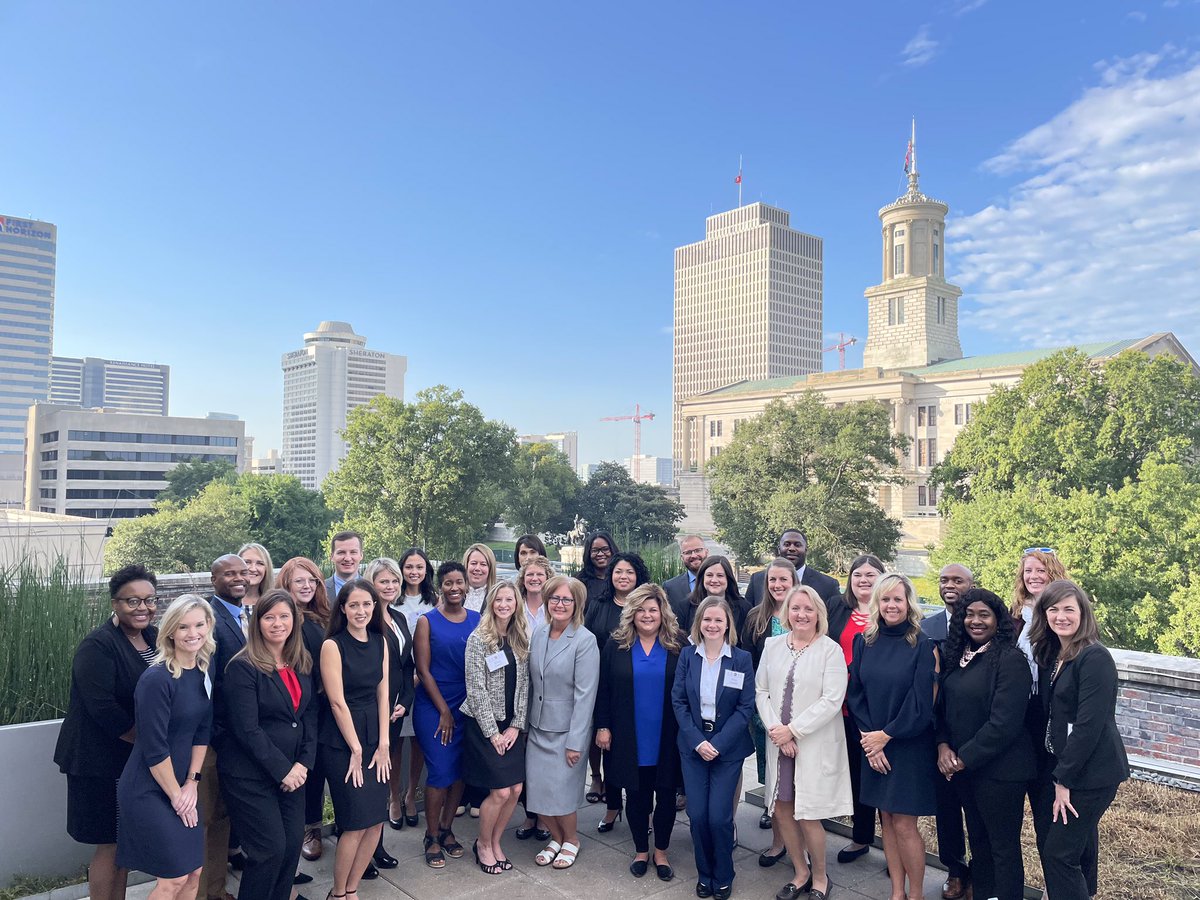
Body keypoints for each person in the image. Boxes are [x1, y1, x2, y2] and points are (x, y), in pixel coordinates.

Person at [55, 564, 160, 900]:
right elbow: (103, 710)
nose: (142, 608)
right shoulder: (98, 646)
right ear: (115, 603)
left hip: (133, 760)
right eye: (133, 601)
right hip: (100, 762)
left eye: (149, 600)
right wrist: (149, 745)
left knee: (125, 842)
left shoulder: (154, 638)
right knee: (110, 844)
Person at [1030, 580, 1129, 900]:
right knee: (1080, 846)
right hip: (1068, 766)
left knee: (1059, 854)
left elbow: (1089, 725)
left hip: (1091, 772)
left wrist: (1063, 779)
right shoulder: (1055, 653)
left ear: (1082, 613)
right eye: (1053, 609)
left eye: (1068, 609)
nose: (1061, 616)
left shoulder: (1094, 658)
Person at [219, 590, 318, 900]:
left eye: (284, 616)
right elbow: (247, 729)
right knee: (269, 850)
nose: (278, 623)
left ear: (295, 620)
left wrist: (303, 763)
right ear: (257, 622)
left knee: (290, 848)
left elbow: (309, 716)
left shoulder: (300, 661)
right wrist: (283, 770)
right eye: (269, 617)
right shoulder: (243, 667)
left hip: (294, 772)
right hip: (252, 775)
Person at [935, 588, 1033, 900]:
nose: (975, 621)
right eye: (969, 614)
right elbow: (943, 710)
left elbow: (1004, 723)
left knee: (1001, 846)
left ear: (998, 619)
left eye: (984, 615)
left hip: (1001, 771)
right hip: (964, 768)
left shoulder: (1009, 659)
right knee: (977, 839)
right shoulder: (957, 656)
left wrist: (961, 759)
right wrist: (943, 746)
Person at [115, 595, 215, 900]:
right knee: (174, 877)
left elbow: (203, 731)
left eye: (199, 624)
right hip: (150, 788)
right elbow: (154, 747)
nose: (193, 632)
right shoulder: (157, 679)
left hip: (184, 786)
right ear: (171, 631)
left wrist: (192, 783)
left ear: (208, 627)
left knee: (194, 872)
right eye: (183, 626)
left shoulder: (201, 671)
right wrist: (176, 795)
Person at [756, 585, 852, 900]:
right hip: (779, 743)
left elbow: (832, 699)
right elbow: (761, 691)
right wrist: (776, 730)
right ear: (787, 613)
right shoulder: (772, 646)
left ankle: (821, 877)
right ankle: (800, 872)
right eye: (796, 608)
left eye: (809, 609)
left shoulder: (830, 649)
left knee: (808, 814)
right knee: (782, 810)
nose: (802, 614)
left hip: (811, 743)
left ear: (818, 615)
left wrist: (793, 731)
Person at [847, 574, 938, 900]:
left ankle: (916, 894)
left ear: (908, 603)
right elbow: (855, 693)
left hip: (907, 745)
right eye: (885, 599)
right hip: (873, 743)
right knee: (885, 819)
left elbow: (921, 704)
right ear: (877, 603)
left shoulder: (922, 644)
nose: (891, 605)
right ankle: (896, 892)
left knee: (903, 823)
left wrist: (885, 736)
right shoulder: (864, 641)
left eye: (898, 599)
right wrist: (871, 740)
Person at [594, 584, 682, 882]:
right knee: (636, 795)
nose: (647, 615)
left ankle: (662, 852)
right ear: (631, 613)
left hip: (667, 736)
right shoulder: (616, 644)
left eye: (653, 610)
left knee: (666, 797)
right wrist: (602, 725)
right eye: (641, 610)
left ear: (662, 613)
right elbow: (603, 688)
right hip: (629, 734)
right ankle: (641, 850)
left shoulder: (677, 644)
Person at [672, 596, 755, 900]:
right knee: (697, 814)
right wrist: (698, 741)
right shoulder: (686, 656)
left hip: (727, 749)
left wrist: (716, 744)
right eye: (707, 619)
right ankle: (705, 873)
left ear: (728, 624)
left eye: (718, 620)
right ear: (699, 623)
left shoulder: (741, 659)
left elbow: (745, 708)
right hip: (693, 746)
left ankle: (724, 873)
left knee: (719, 817)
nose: (712, 624)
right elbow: (678, 701)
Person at [319, 579, 392, 899]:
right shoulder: (332, 645)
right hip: (342, 741)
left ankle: (352, 890)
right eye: (353, 605)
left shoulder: (381, 641)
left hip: (376, 739)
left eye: (366, 604)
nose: (361, 611)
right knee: (355, 822)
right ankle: (337, 893)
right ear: (343, 609)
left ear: (374, 607)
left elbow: (383, 694)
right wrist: (356, 748)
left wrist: (385, 744)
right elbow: (336, 702)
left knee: (376, 822)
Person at [526, 575, 600, 871]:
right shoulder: (539, 634)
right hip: (537, 727)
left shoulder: (585, 640)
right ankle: (555, 838)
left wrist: (576, 741)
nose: (559, 604)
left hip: (566, 731)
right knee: (540, 790)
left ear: (577, 604)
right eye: (554, 598)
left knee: (563, 793)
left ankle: (571, 839)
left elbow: (586, 695)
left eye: (566, 599)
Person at [412, 561, 481, 867]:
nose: (455, 588)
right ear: (440, 587)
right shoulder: (428, 622)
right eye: (448, 583)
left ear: (467, 585)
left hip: (468, 705)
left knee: (460, 772)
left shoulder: (479, 620)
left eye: (459, 582)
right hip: (435, 704)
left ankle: (447, 828)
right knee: (440, 771)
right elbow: (423, 671)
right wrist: (443, 711)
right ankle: (430, 835)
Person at [461, 581, 530, 874]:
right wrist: (494, 733)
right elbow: (476, 690)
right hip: (483, 724)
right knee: (500, 792)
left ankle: (496, 842)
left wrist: (516, 726)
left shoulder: (519, 638)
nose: (504, 604)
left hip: (511, 725)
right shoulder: (479, 639)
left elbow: (525, 684)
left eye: (509, 600)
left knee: (515, 789)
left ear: (516, 604)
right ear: (491, 604)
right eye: (499, 599)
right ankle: (482, 844)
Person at [825, 553, 885, 864]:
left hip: (875, 709)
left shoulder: (888, 610)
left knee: (879, 773)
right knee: (853, 774)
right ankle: (861, 837)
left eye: (870, 574)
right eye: (858, 574)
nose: (863, 580)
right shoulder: (838, 607)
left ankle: (896, 850)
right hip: (838, 706)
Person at [1011, 547, 1070, 861]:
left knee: (1055, 807)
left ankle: (1059, 886)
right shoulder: (1017, 614)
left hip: (1052, 715)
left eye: (1040, 570)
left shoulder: (1063, 614)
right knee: (1035, 801)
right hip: (1024, 716)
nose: (1033, 577)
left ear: (1053, 572)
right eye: (1028, 571)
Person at [585, 550, 652, 829]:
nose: (623, 577)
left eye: (629, 572)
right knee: (609, 748)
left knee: (642, 753)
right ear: (610, 575)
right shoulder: (599, 605)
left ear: (638, 576)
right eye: (618, 572)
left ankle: (642, 810)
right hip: (603, 684)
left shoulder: (646, 607)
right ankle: (612, 807)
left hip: (639, 686)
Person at [738, 558, 798, 861]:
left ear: (793, 581)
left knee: (799, 781)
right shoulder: (755, 617)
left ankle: (803, 845)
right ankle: (778, 841)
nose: (777, 585)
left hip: (799, 712)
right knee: (773, 779)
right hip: (764, 712)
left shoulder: (803, 613)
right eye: (772, 580)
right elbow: (747, 663)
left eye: (783, 580)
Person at [921, 563, 974, 900]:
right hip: (938, 734)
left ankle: (981, 876)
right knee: (947, 810)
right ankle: (955, 871)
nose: (950, 584)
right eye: (944, 579)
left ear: (971, 584)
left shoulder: (984, 623)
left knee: (980, 813)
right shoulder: (927, 627)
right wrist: (941, 741)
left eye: (958, 580)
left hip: (976, 735)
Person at [200, 554, 250, 900]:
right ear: (214, 579)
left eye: (242, 572)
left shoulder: (247, 614)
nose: (237, 578)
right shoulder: (209, 619)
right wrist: (221, 734)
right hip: (217, 739)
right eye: (228, 573)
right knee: (208, 821)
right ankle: (203, 893)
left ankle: (216, 889)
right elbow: (207, 684)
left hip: (243, 736)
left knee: (222, 819)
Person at [276, 556, 332, 866]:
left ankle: (314, 827)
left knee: (320, 767)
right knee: (303, 769)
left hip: (327, 705)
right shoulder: (284, 617)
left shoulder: (322, 615)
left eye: (312, 580)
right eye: (300, 581)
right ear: (286, 584)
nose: (307, 586)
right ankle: (304, 831)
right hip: (298, 706)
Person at [364, 557, 416, 870]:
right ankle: (363, 852)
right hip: (369, 713)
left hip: (395, 712)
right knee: (366, 784)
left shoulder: (398, 617)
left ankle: (376, 846)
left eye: (394, 581)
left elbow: (406, 665)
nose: (390, 586)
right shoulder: (364, 620)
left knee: (382, 782)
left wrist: (405, 702)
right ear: (371, 582)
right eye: (384, 581)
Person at [392, 547, 437, 828]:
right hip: (395, 680)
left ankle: (411, 794)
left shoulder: (433, 601)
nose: (414, 572)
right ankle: (393, 798)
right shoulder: (392, 601)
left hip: (425, 680)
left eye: (419, 567)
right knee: (395, 740)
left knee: (418, 739)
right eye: (409, 566)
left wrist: (420, 676)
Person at [514, 555, 555, 842]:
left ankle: (544, 816)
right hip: (517, 688)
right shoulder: (514, 606)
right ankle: (530, 815)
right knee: (524, 755)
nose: (535, 579)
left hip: (547, 690)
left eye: (539, 575)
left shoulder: (554, 608)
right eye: (530, 575)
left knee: (542, 756)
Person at [745, 530, 840, 608]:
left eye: (797, 545)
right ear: (779, 549)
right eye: (786, 544)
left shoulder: (828, 585)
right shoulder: (757, 580)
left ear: (806, 549)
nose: (791, 548)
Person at [679, 555, 748, 635]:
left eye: (720, 575)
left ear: (728, 578)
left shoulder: (743, 608)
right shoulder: (685, 606)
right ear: (702, 578)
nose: (714, 580)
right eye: (709, 575)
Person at [663, 535, 709, 621]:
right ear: (682, 557)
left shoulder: (719, 583)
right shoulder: (670, 587)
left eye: (698, 550)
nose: (694, 555)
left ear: (706, 552)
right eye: (688, 552)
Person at [578, 530, 619, 605]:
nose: (600, 554)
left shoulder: (622, 580)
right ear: (588, 553)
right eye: (595, 550)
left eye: (605, 549)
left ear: (612, 550)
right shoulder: (579, 582)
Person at [325, 531, 364, 599]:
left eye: (353, 552)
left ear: (361, 555)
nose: (347, 558)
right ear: (331, 556)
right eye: (341, 552)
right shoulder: (319, 589)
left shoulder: (373, 589)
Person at [463, 542, 498, 613]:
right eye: (473, 563)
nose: (477, 568)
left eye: (483, 564)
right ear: (466, 565)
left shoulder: (497, 597)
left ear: (490, 569)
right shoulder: (455, 594)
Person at [239, 542, 275, 606]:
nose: (253, 569)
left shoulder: (273, 603)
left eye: (260, 563)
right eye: (247, 562)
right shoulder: (226, 602)